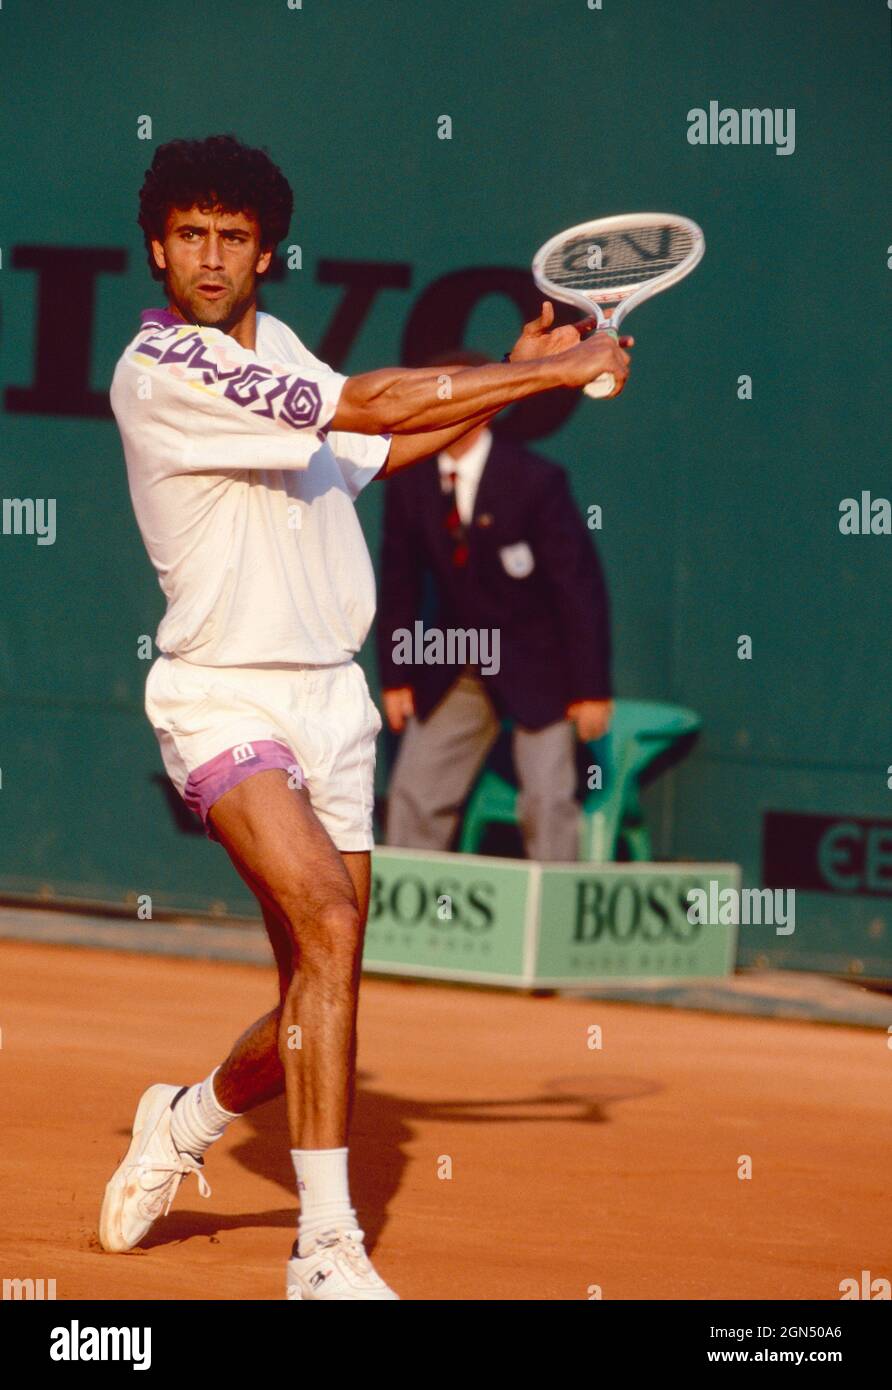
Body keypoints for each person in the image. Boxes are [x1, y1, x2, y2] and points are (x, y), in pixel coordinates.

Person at [101, 133, 632, 1300]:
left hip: (331, 697)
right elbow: (372, 399)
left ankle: (182, 1118)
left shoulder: (278, 345)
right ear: (156, 244)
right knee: (333, 919)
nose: (207, 257)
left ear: (265, 252)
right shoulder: (161, 370)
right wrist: (552, 371)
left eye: (231, 238)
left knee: (318, 973)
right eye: (187, 234)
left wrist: (517, 366)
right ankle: (326, 1249)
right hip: (222, 691)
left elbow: (379, 444)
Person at [379, 351, 613, 862]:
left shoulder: (534, 480)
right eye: (441, 394)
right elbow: (399, 581)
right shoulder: (410, 478)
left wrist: (591, 689)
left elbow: (578, 588)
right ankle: (406, 933)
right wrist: (396, 677)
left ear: (485, 405)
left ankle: (551, 931)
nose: (449, 405)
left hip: (539, 666)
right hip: (455, 664)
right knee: (414, 795)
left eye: (460, 393)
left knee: (548, 801)